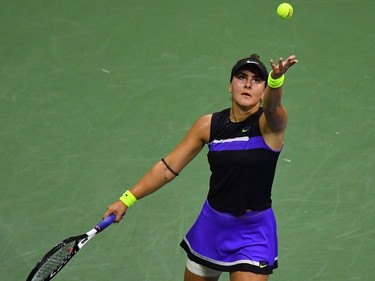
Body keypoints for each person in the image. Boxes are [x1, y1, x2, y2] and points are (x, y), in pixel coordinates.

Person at [103, 53, 298, 281]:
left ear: (264, 90)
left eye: (256, 80)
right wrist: (126, 199)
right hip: (212, 227)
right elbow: (168, 168)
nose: (247, 84)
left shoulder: (270, 125)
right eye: (241, 77)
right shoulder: (208, 125)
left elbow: (273, 105)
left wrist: (276, 80)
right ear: (230, 86)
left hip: (253, 233)